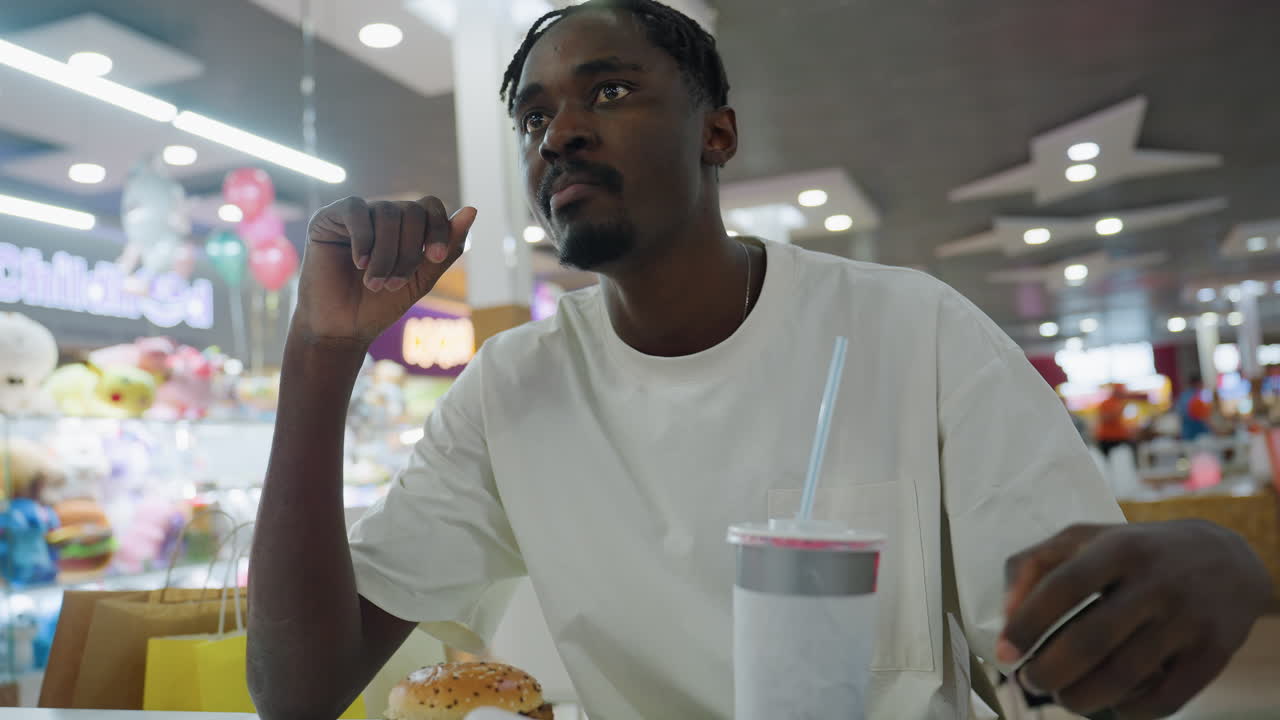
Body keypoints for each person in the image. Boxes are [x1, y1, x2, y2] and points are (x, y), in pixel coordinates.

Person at [246, 2, 1273, 718]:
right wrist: (321, 352)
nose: (557, 133)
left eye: (606, 92)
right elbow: (298, 688)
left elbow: (1066, 646)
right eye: (534, 115)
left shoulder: (909, 330)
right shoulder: (510, 391)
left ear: (717, 133)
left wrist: (1223, 567)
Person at [1095, 383, 1138, 457]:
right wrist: (1118, 411)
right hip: (1107, 437)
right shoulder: (1106, 403)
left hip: (1121, 436)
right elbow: (1104, 418)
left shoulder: (1121, 402)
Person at [1178, 374, 1213, 442]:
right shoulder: (1192, 397)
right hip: (1194, 429)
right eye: (1200, 383)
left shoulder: (1185, 395)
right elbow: (1199, 415)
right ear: (1197, 383)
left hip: (1191, 430)